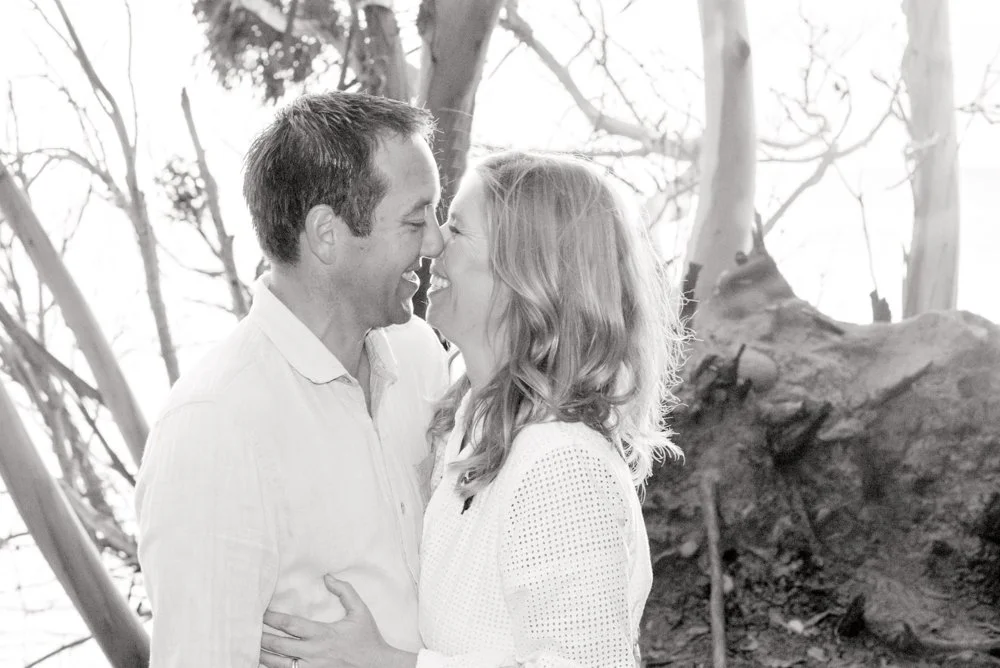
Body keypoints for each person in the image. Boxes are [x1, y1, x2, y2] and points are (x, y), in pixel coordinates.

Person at [260, 151, 686, 668]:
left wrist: (384, 663)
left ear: (529, 268)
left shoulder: (561, 466)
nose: (432, 242)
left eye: (457, 230)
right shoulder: (469, 422)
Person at [134, 92, 450, 667]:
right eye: (413, 220)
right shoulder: (214, 427)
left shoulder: (421, 356)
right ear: (326, 234)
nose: (435, 242)